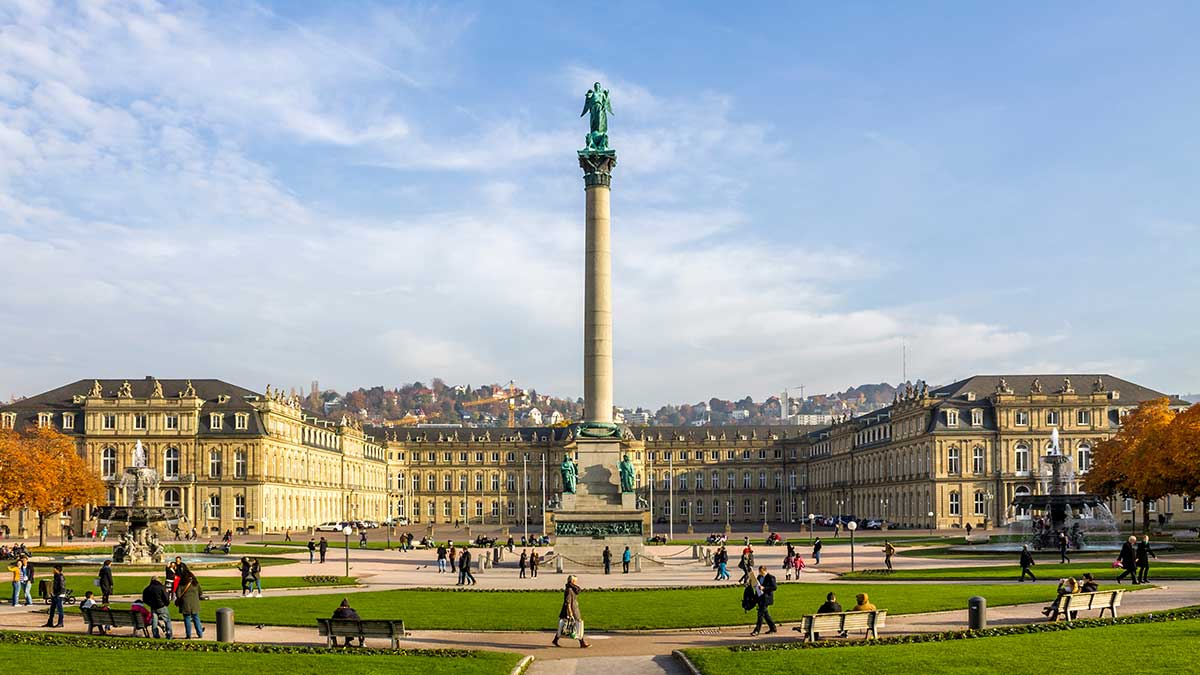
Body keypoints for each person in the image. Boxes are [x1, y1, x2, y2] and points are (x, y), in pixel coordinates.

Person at [552, 575, 589, 648]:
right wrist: (570, 612)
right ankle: (582, 642)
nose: (576, 582)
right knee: (577, 625)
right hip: (571, 610)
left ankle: (555, 640)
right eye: (575, 581)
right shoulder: (569, 590)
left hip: (573, 608)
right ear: (572, 581)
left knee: (564, 626)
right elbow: (568, 601)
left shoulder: (572, 589)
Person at [750, 565, 777, 636]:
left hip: (766, 598)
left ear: (764, 570)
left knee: (760, 614)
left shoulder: (771, 577)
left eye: (761, 571)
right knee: (765, 615)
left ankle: (756, 630)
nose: (759, 573)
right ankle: (773, 628)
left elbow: (774, 587)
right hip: (760, 598)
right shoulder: (759, 577)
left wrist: (764, 588)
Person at [175, 572, 204, 639]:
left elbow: (178, 595)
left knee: (187, 619)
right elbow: (200, 593)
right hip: (195, 604)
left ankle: (188, 635)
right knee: (196, 618)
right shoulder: (195, 584)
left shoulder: (181, 585)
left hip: (185, 604)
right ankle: (200, 633)